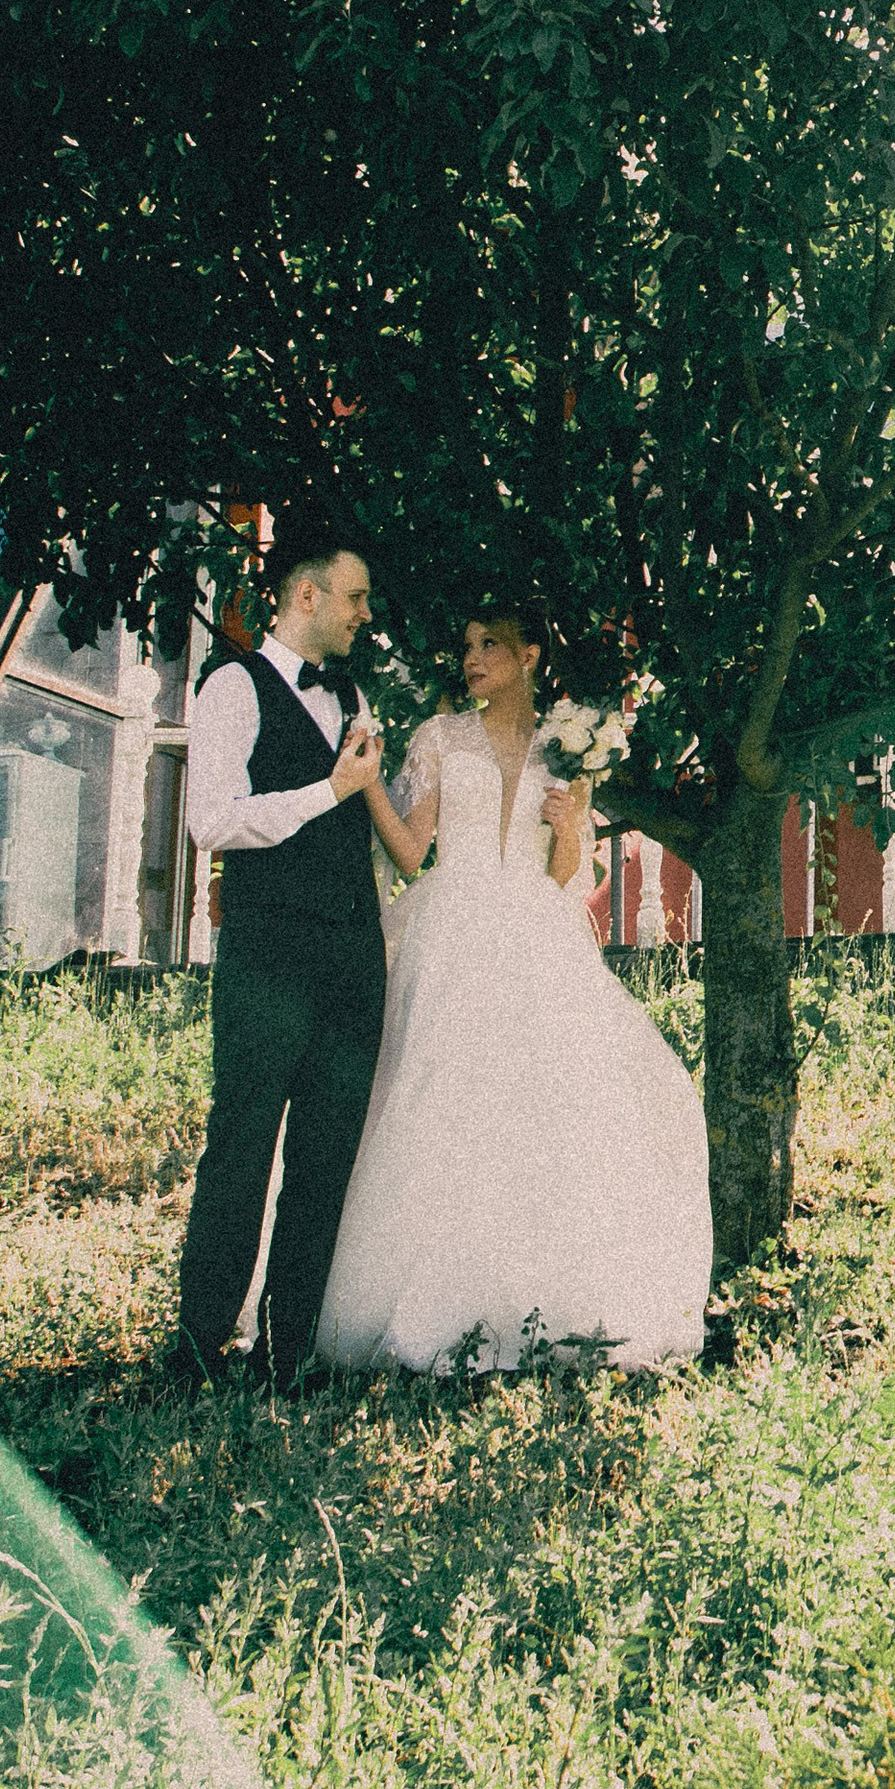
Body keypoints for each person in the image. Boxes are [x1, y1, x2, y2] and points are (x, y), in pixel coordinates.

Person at [315, 599, 712, 1376]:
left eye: (489, 644)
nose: (472, 659)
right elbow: (407, 853)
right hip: (450, 926)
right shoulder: (439, 737)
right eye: (467, 644)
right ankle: (419, 1301)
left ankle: (533, 1301)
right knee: (434, 1098)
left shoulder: (570, 751)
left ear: (530, 656)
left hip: (533, 930)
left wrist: (570, 830)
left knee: (545, 1104)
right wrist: (363, 785)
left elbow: (569, 876)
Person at [173, 526, 387, 1390]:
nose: (365, 616)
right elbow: (212, 821)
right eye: (354, 597)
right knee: (243, 1143)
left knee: (325, 1155)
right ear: (306, 595)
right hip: (268, 953)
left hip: (352, 953)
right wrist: (327, 790)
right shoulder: (231, 686)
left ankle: (287, 1350)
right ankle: (196, 1350)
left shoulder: (354, 695)